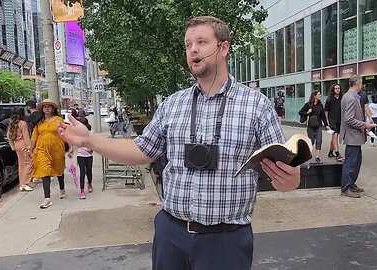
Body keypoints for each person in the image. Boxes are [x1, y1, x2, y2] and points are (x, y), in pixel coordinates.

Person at [57, 16, 300, 270]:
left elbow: (286, 174)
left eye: (201, 42)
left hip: (226, 240)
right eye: (188, 45)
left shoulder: (257, 106)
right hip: (171, 235)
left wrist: (289, 179)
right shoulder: (172, 105)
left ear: (224, 48)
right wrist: (89, 139)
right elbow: (141, 150)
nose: (192, 49)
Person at [32, 99, 73, 209]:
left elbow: (65, 134)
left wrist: (70, 147)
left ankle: (62, 189)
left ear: (53, 109)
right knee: (45, 170)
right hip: (41, 148)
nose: (47, 108)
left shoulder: (58, 120)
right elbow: (34, 136)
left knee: (59, 170)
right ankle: (47, 198)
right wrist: (31, 149)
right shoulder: (39, 121)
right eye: (45, 107)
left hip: (56, 149)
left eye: (49, 106)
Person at [340, 75, 374, 198]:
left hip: (355, 136)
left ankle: (351, 184)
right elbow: (348, 119)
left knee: (356, 161)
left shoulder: (352, 96)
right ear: (357, 84)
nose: (362, 86)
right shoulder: (350, 97)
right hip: (352, 135)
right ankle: (346, 187)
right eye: (361, 84)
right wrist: (364, 125)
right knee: (351, 162)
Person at [7, 107, 33, 192]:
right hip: (23, 144)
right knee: (29, 163)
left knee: (21, 165)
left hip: (16, 144)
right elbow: (26, 136)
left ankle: (21, 183)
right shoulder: (23, 123)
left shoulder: (12, 123)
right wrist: (29, 147)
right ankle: (25, 183)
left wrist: (12, 146)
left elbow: (8, 135)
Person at [299, 90, 329, 163]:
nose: (320, 96)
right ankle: (305, 154)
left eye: (320, 94)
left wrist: (326, 125)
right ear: (314, 96)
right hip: (310, 126)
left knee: (319, 141)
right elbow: (300, 112)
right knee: (311, 141)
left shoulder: (320, 105)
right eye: (319, 94)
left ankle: (317, 157)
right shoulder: (308, 104)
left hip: (318, 126)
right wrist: (307, 112)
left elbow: (323, 116)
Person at [324, 84, 344, 161]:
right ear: (333, 90)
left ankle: (330, 152)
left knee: (334, 137)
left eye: (339, 88)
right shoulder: (329, 99)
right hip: (332, 120)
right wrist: (326, 122)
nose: (337, 90)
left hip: (339, 120)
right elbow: (326, 111)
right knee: (335, 135)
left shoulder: (342, 98)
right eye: (336, 88)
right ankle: (337, 153)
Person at [76, 117, 93, 200]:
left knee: (89, 171)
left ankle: (89, 183)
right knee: (82, 172)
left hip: (89, 155)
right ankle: (82, 190)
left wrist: (91, 149)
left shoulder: (90, 133)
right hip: (80, 155)